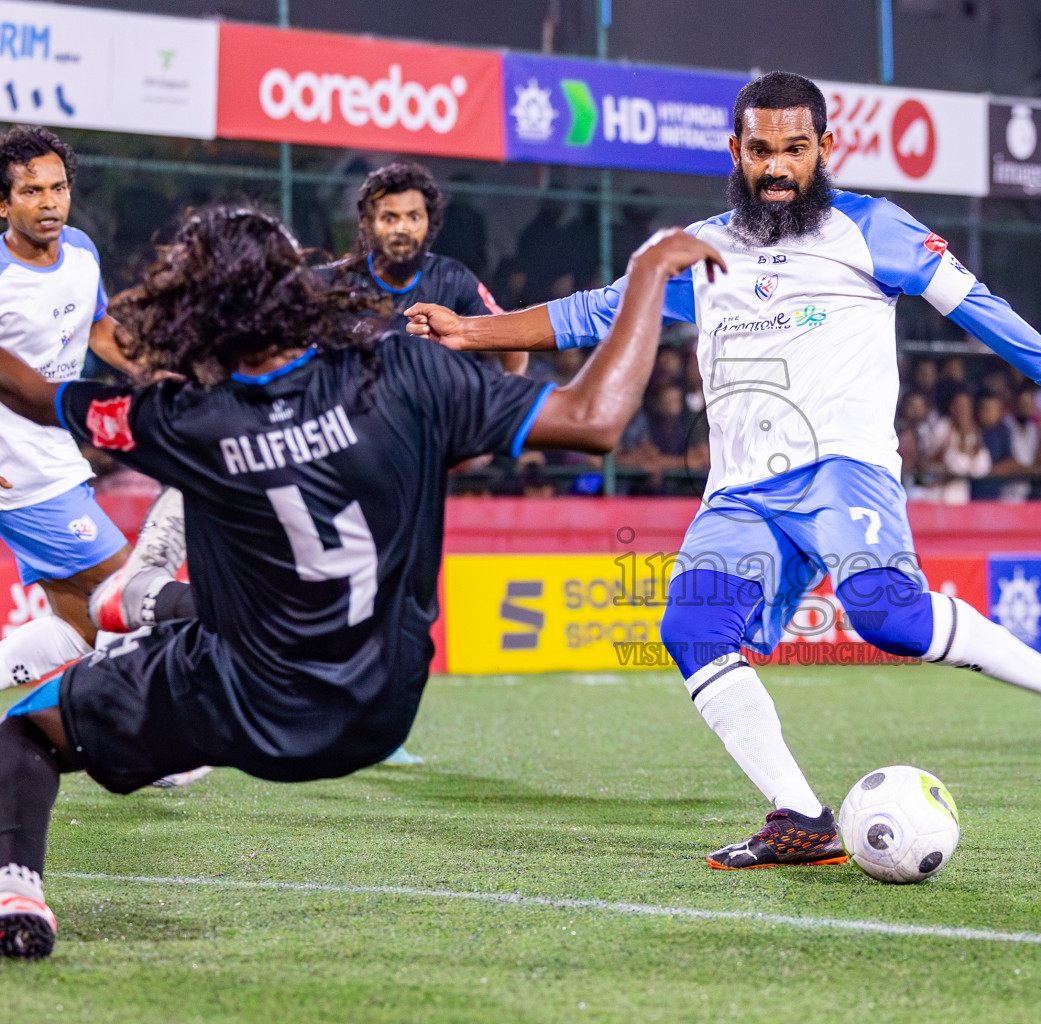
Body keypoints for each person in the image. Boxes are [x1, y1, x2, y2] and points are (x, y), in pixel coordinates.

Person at [407, 72, 1041, 870]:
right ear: (735, 152)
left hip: (845, 470)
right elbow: (593, 311)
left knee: (889, 620)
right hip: (740, 493)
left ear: (825, 149)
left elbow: (978, 304)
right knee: (693, 630)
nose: (777, 167)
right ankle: (800, 817)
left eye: (794, 149)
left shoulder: (872, 229)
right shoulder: (702, 252)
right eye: (761, 150)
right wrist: (470, 330)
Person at [0, 207, 723, 958]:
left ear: (196, 308)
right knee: (232, 592)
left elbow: (30, 395)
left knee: (24, 732)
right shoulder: (405, 374)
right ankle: (154, 603)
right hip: (382, 705)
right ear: (301, 287)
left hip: (240, 705)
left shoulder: (177, 417)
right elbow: (595, 419)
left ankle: (17, 888)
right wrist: (645, 277)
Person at [92, 162, 528, 766]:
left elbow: (513, 343)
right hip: (305, 454)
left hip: (384, 465)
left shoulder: (453, 280)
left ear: (430, 224)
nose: (401, 228)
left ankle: (355, 713)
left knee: (382, 585)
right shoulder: (326, 284)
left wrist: (478, 432)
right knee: (266, 559)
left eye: (413, 216)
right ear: (367, 222)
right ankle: (158, 621)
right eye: (389, 216)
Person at [0, 126, 136, 694]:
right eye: (31, 191)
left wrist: (165, 373)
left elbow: (99, 329)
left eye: (58, 188)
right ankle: (159, 748)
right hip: (21, 473)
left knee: (81, 627)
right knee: (132, 592)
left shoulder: (81, 249)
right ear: (2, 203)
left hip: (59, 459)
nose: (49, 201)